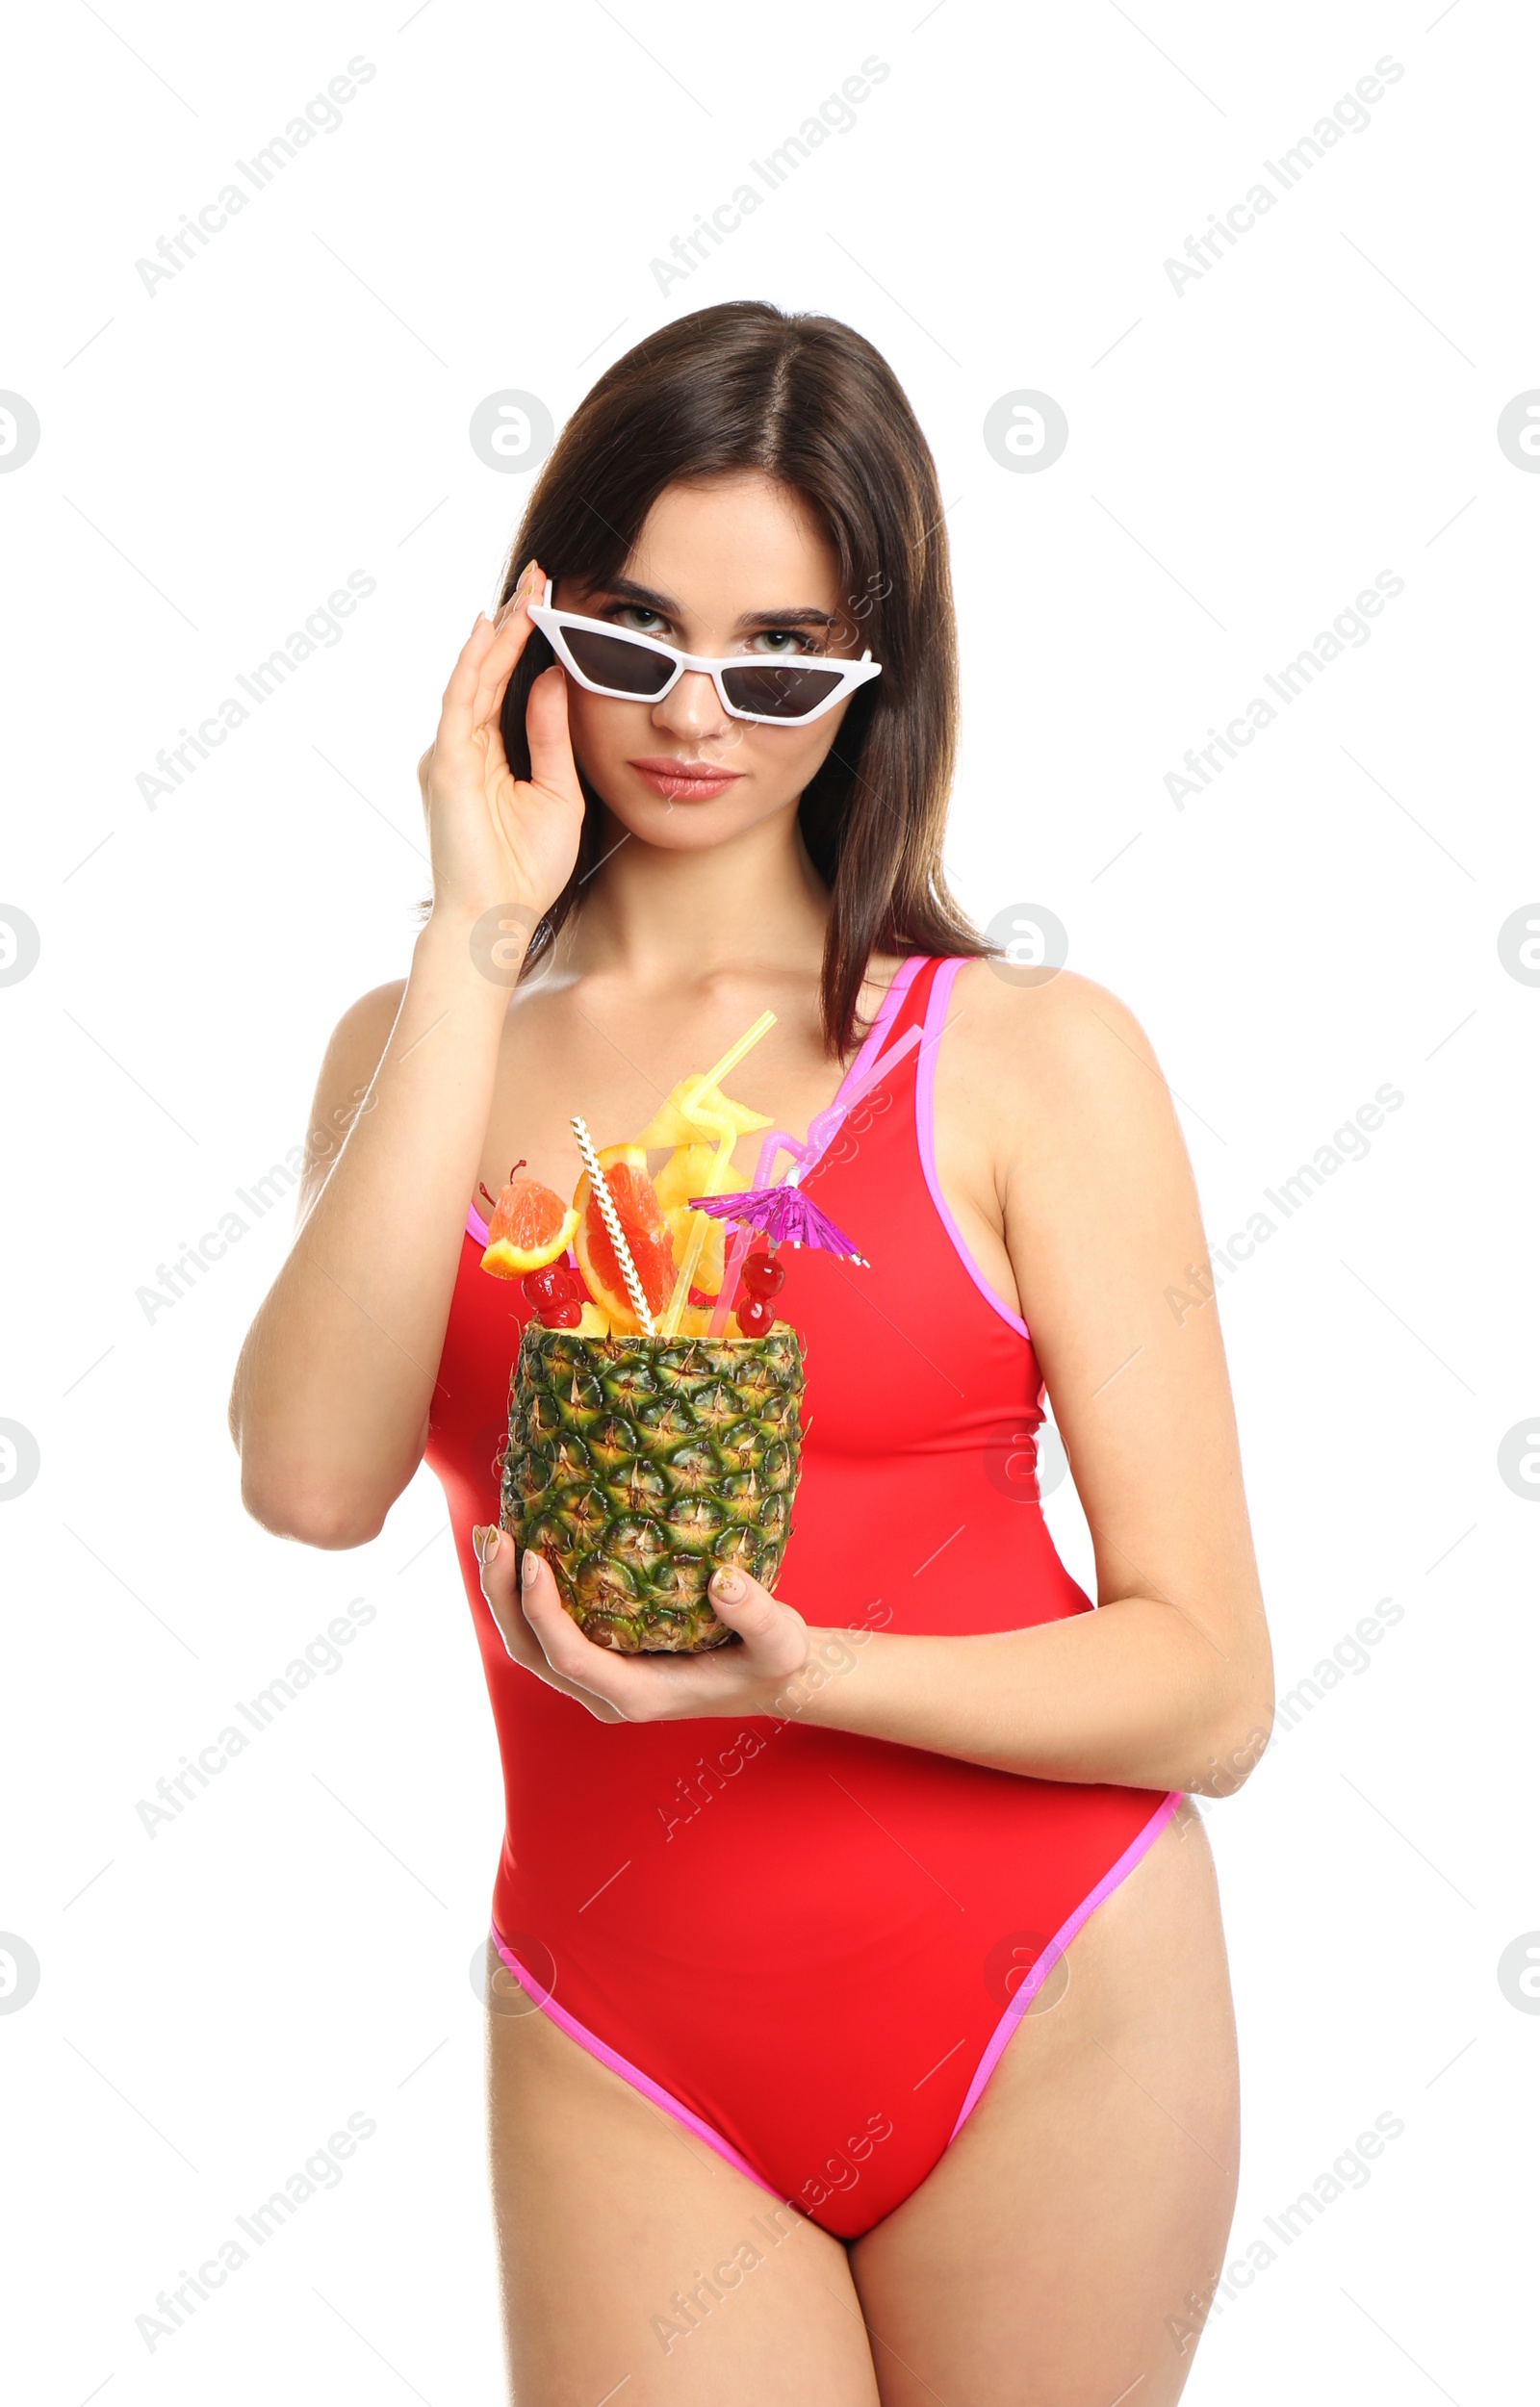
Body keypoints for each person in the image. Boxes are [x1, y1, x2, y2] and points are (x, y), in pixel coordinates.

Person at [229, 301, 1273, 2406]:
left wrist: (810, 1675)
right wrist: (471, 933)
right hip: (625, 2032)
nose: (693, 714)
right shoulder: (416, 1043)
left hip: (1042, 1997)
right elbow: (309, 1483)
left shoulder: (1021, 1061)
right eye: (630, 638)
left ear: (877, 668)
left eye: (779, 656)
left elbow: (1210, 1685)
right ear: (530, 632)